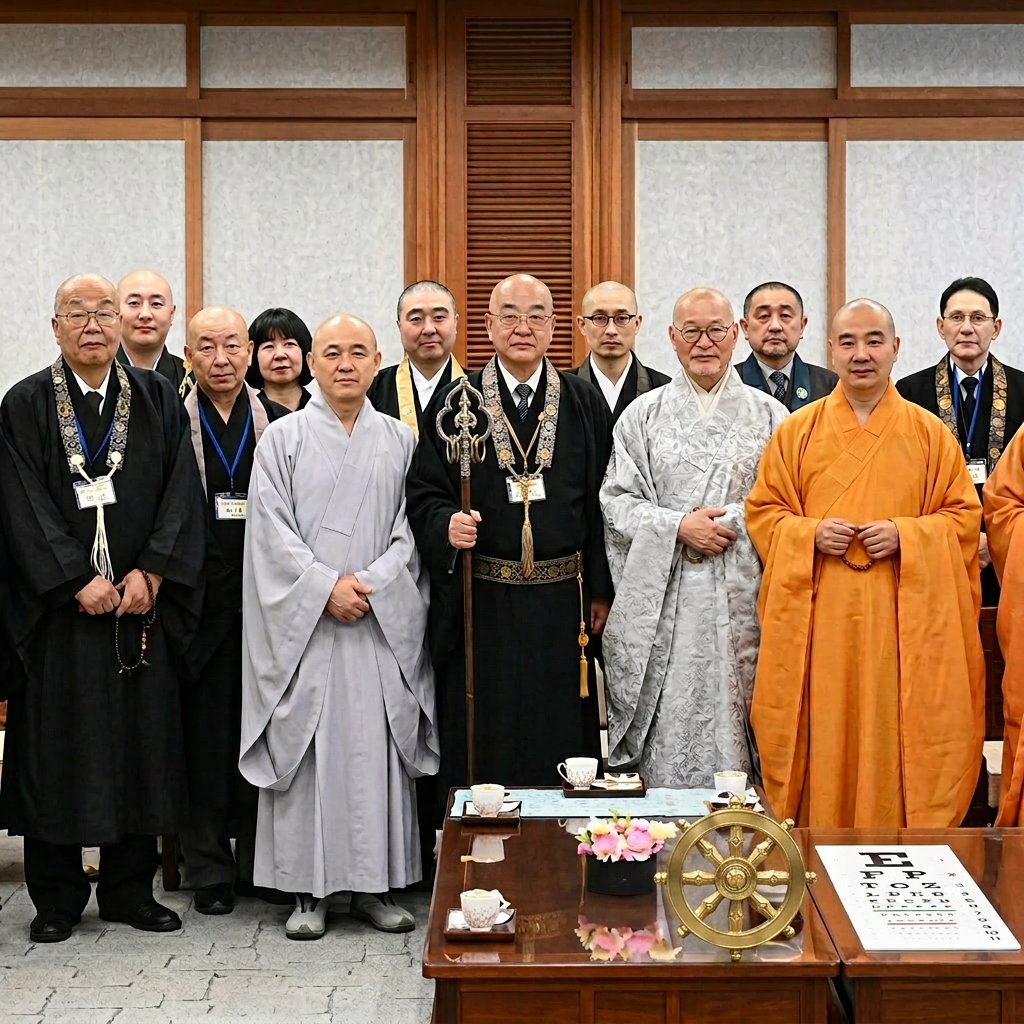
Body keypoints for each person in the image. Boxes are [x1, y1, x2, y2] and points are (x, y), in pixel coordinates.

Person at [0, 273, 205, 942]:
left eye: (103, 312)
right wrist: (70, 579)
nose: (91, 324)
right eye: (75, 313)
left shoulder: (156, 399)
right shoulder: (26, 403)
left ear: (120, 324)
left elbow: (182, 489)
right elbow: (20, 501)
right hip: (60, 618)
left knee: (140, 745)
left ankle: (128, 891)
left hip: (137, 611)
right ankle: (55, 898)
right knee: (55, 750)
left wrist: (153, 570)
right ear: (54, 327)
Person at [746, 298, 984, 829]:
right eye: (848, 342)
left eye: (874, 341)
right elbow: (764, 514)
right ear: (830, 349)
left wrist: (907, 534)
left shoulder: (929, 435)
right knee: (822, 729)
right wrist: (808, 534)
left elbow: (963, 521)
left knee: (896, 732)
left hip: (901, 625)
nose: (861, 354)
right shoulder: (796, 432)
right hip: (819, 618)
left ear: (896, 349)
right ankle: (813, 861)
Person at [240, 313, 438, 940]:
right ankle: (307, 892)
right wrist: (326, 587)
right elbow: (269, 533)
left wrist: (371, 584)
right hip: (309, 627)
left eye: (358, 352)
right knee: (309, 751)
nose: (345, 363)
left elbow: (413, 528)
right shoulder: (281, 439)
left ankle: (375, 887)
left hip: (379, 624)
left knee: (373, 750)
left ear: (377, 359)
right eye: (332, 352)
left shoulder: (401, 439)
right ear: (312, 362)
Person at [407, 273, 612, 807]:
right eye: (511, 315)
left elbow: (603, 503)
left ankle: (564, 852)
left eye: (537, 315)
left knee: (558, 724)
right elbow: (424, 492)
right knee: (486, 721)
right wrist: (446, 523)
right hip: (484, 600)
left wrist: (601, 590)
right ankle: (478, 847)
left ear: (554, 326)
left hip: (562, 599)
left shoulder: (583, 400)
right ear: (488, 325)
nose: (524, 327)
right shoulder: (458, 400)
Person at [600, 288, 787, 786]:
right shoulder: (642, 415)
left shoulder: (771, 416)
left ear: (736, 335)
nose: (704, 343)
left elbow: (789, 507)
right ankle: (662, 849)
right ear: (671, 337)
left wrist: (731, 523)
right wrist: (677, 527)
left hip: (744, 608)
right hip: (670, 608)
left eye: (716, 331)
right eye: (691, 332)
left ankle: (748, 859)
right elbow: (616, 502)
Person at [178, 307, 290, 915]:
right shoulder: (173, 419)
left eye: (230, 346)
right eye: (206, 348)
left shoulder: (279, 419)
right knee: (206, 733)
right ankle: (209, 868)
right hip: (199, 601)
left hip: (266, 599)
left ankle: (259, 860)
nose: (220, 359)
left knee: (264, 728)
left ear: (247, 352)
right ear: (189, 356)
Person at [897, 276, 1024, 604]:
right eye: (956, 317)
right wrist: (962, 535)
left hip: (1010, 552)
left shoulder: (1023, 389)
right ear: (941, 327)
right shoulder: (909, 393)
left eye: (978, 318)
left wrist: (993, 539)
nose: (967, 327)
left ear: (996, 328)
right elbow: (905, 482)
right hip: (937, 548)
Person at [368, 280, 464, 436]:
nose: (428, 329)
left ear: (455, 323)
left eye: (439, 317)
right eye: (416, 319)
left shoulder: (480, 389)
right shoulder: (372, 388)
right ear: (399, 327)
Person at [571, 280, 670, 423]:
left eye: (622, 318)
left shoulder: (664, 391)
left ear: (637, 323)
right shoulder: (560, 390)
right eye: (599, 318)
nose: (611, 330)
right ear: (582, 325)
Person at [736, 281, 837, 411]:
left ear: (802, 326)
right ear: (745, 327)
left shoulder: (830, 386)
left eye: (785, 316)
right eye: (764, 316)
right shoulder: (730, 385)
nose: (775, 326)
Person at [117, 269, 191, 394]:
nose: (145, 314)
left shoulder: (189, 380)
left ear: (171, 314)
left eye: (156, 304)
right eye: (134, 303)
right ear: (116, 311)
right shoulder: (98, 376)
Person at [244, 307, 314, 412]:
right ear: (252, 355)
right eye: (268, 346)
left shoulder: (324, 412)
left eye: (289, 344)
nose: (280, 354)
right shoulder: (247, 415)